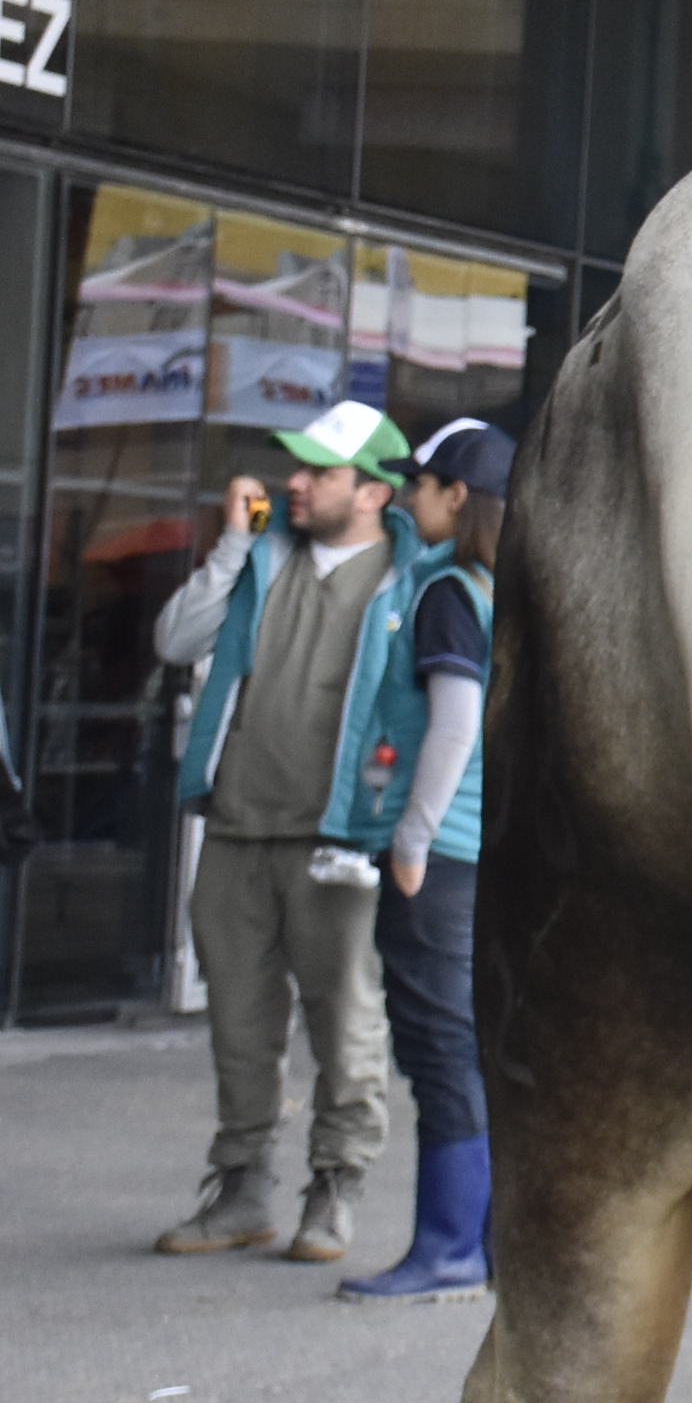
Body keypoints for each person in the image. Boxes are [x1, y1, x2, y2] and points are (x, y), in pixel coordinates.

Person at [145, 399, 443, 1265]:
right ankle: (242, 1188)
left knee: (346, 1021)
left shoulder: (413, 581)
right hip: (235, 830)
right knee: (239, 1024)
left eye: (319, 472)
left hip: (338, 841)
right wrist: (233, 542)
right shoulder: (263, 559)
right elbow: (175, 641)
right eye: (297, 468)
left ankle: (335, 1189)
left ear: (373, 491)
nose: (295, 482)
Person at [343, 415, 510, 1300]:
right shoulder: (503, 593)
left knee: (439, 1046)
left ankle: (447, 1247)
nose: (412, 498)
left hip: (438, 855)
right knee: (474, 1044)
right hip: (484, 848)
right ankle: (482, 1242)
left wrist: (409, 840)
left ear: (458, 497)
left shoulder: (448, 593)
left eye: (424, 485)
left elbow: (453, 726)